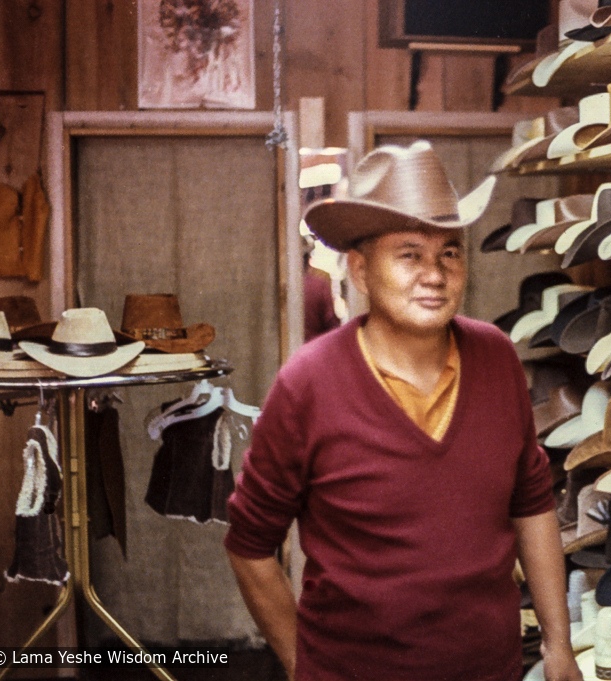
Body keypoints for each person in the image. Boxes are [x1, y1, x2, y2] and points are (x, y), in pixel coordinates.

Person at [224, 141, 582, 681]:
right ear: (361, 271)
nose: (435, 274)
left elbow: (531, 504)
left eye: (450, 252)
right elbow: (250, 545)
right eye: (410, 254)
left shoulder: (496, 357)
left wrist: (559, 646)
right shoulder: (309, 384)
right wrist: (307, 668)